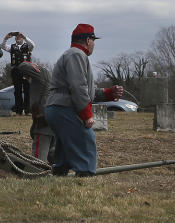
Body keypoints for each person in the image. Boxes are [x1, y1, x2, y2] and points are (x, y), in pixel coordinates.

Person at [45, 24, 123, 176]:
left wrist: (109, 93)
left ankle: (60, 172)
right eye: (94, 40)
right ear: (88, 40)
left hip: (57, 108)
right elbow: (78, 88)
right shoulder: (76, 55)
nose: (94, 44)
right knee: (86, 140)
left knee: (66, 144)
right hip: (64, 108)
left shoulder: (74, 55)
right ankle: (85, 175)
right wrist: (86, 115)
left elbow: (87, 90)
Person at [2, 31, 35, 115]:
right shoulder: (12, 47)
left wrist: (25, 37)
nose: (17, 38)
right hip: (16, 70)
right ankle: (18, 111)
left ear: (22, 38)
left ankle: (28, 110)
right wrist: (5, 39)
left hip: (26, 71)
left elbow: (33, 45)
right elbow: (3, 46)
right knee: (17, 91)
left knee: (27, 90)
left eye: (19, 37)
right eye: (16, 37)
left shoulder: (27, 46)